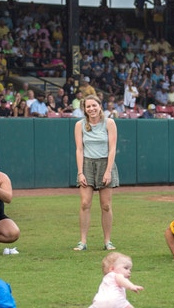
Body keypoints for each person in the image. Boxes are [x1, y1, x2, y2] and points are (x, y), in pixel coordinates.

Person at [74, 94, 120, 251]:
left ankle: (107, 241)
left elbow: (113, 148)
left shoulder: (109, 123)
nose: (91, 109)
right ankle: (83, 241)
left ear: (100, 106)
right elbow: (79, 149)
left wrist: (108, 171)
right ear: (84, 109)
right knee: (85, 203)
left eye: (94, 105)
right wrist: (80, 172)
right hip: (87, 164)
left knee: (106, 205)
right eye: (88, 107)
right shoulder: (80, 125)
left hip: (105, 163)